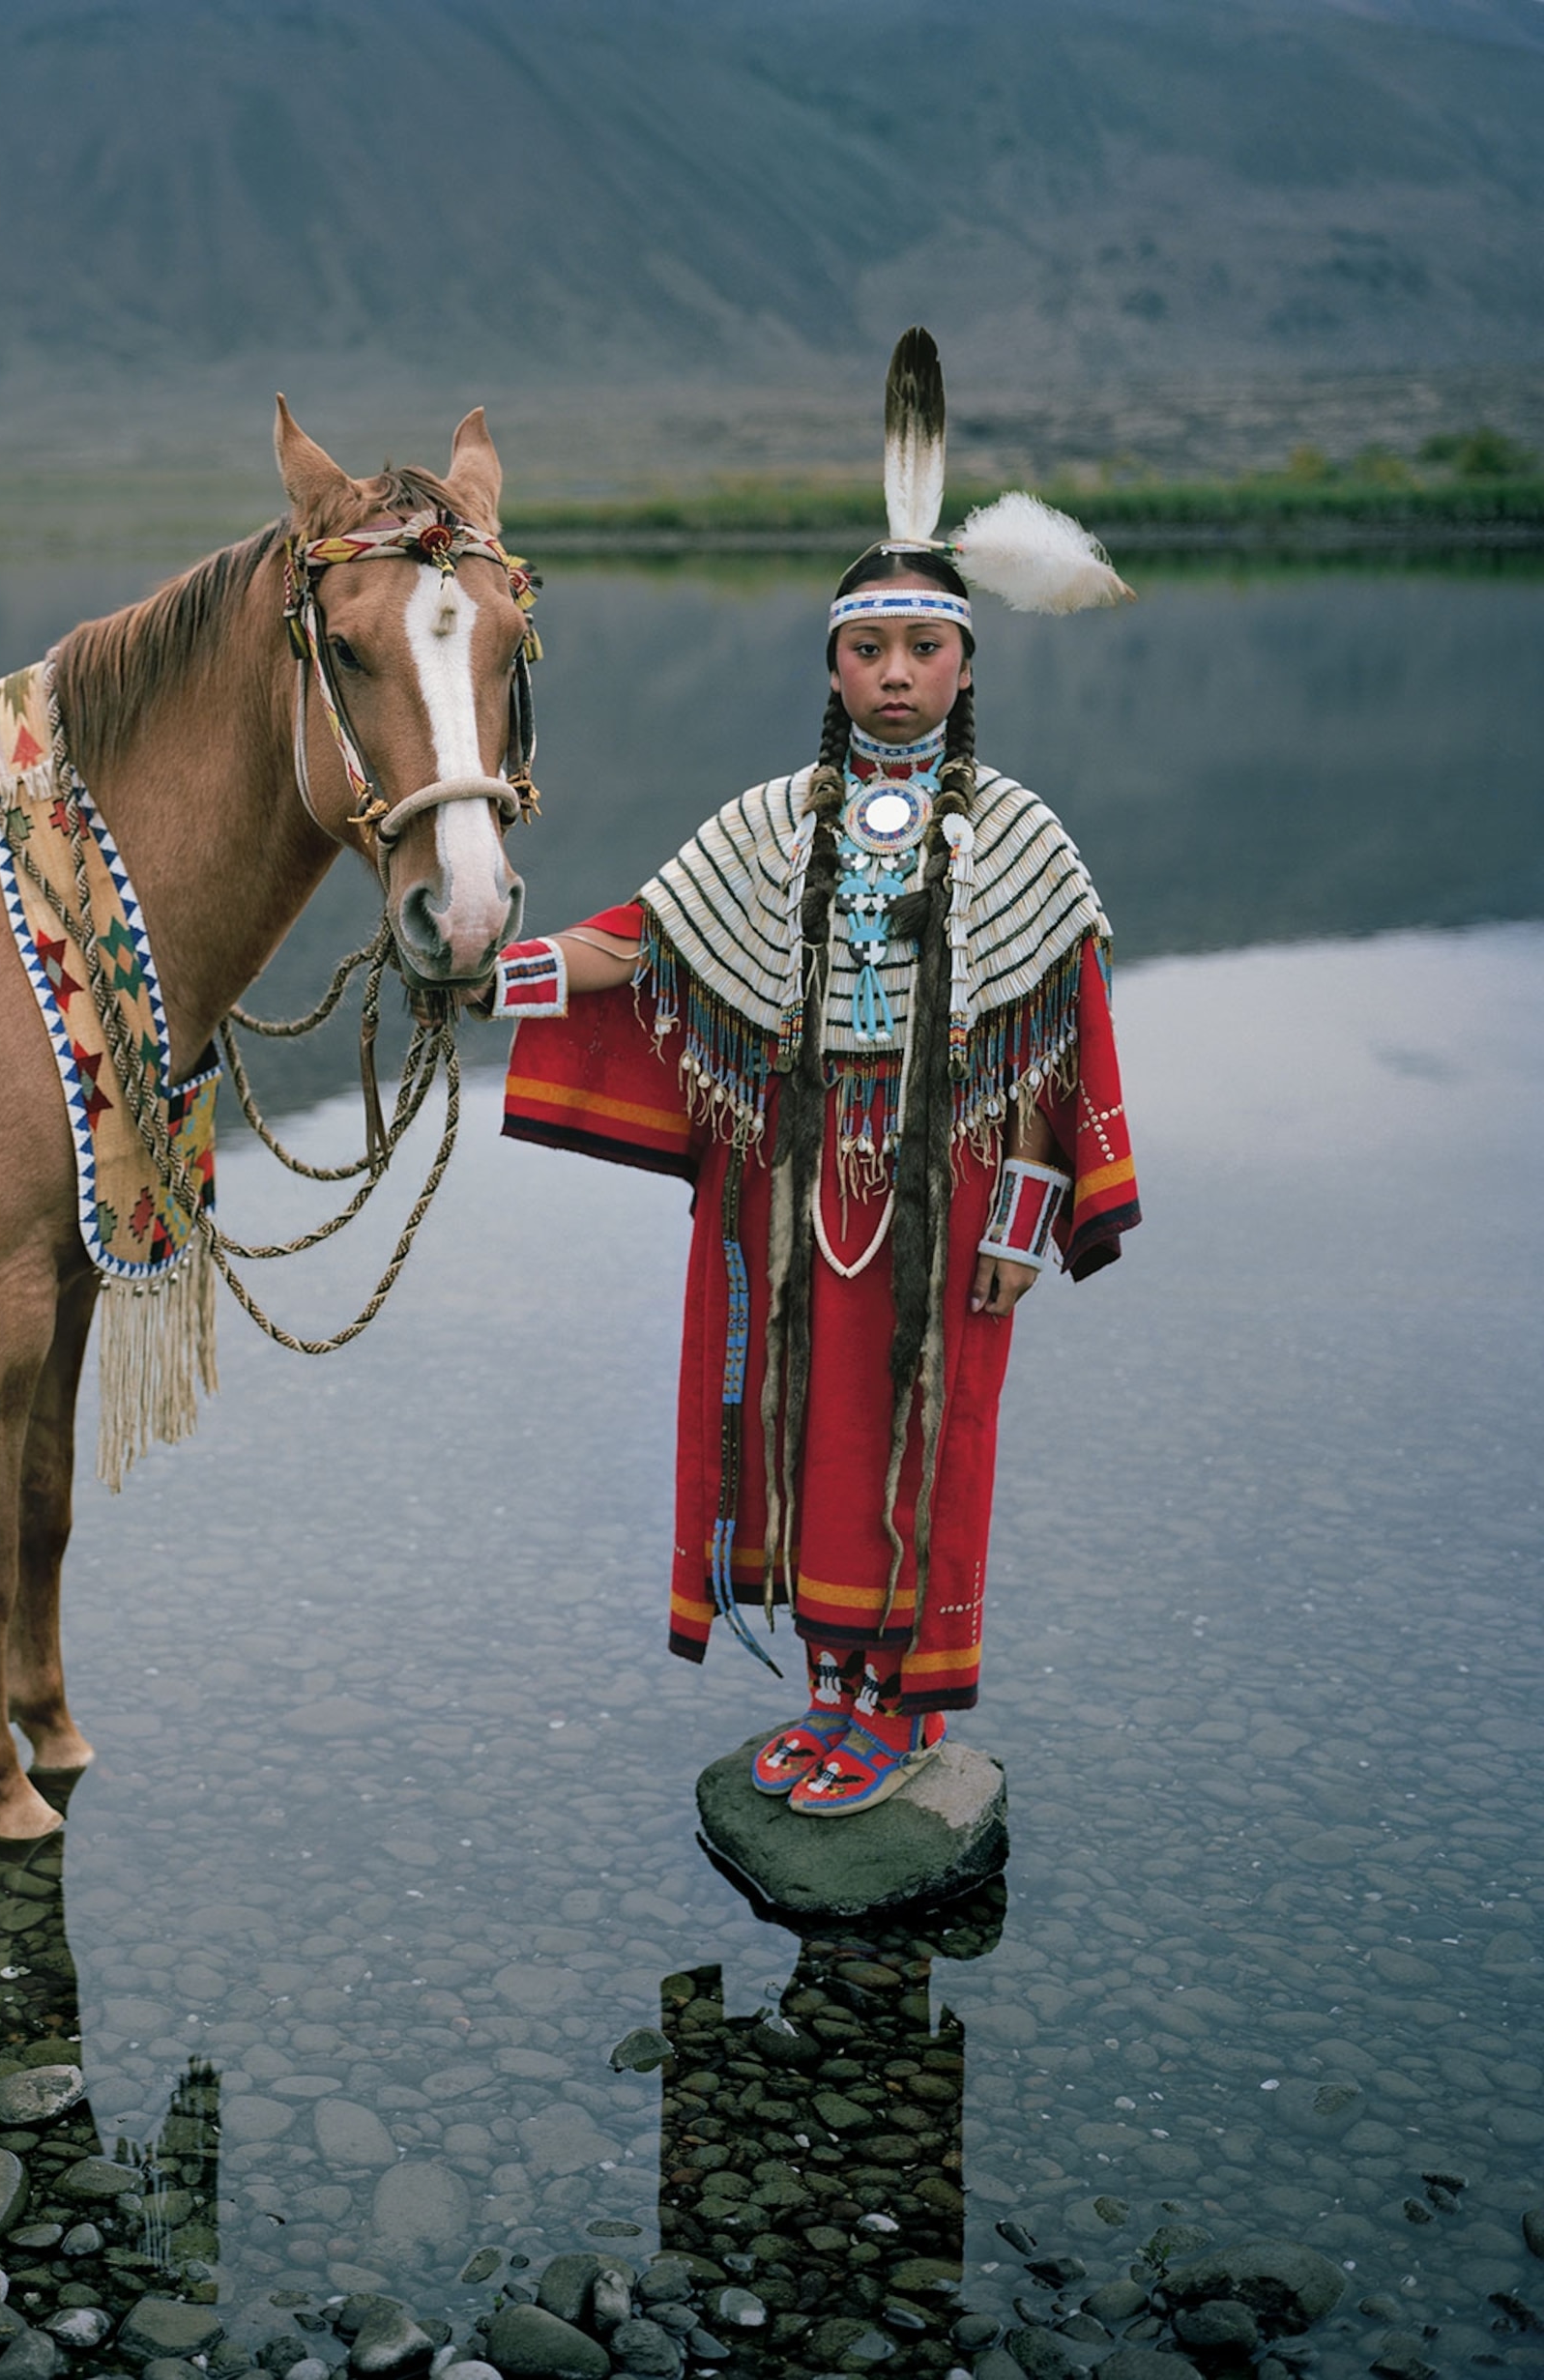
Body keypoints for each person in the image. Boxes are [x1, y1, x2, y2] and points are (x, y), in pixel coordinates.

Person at [483, 332, 1142, 1814]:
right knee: (792, 1424)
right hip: (791, 1186)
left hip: (953, 1190)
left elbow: (1059, 1036)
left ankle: (907, 1711)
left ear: (965, 660)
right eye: (867, 650)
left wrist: (1027, 1218)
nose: (895, 677)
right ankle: (834, 1697)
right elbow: (650, 941)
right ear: (832, 663)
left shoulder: (1023, 839)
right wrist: (500, 973)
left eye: (922, 650)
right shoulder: (774, 821)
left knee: (924, 1430)